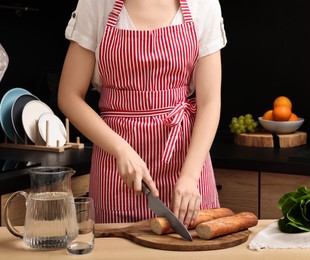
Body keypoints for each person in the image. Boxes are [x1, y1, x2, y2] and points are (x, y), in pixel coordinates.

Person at [58, 0, 227, 226]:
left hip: (187, 165)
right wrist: (121, 150)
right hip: (116, 169)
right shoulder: (96, 4)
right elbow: (68, 96)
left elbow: (209, 101)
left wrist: (189, 176)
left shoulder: (203, 4)